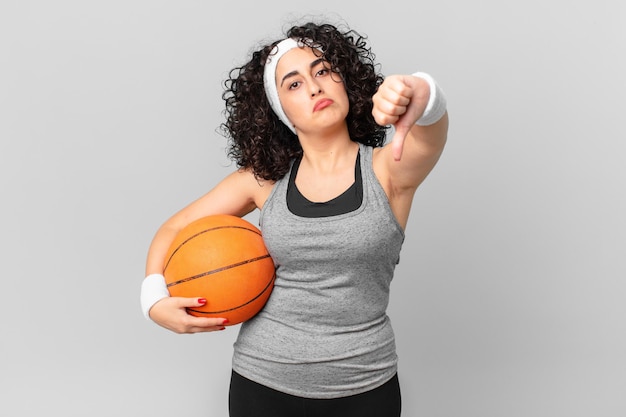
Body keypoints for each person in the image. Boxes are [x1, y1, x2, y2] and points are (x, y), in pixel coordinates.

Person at [140, 20, 448, 417]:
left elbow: (430, 130)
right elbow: (174, 228)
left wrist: (420, 92)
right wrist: (152, 299)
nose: (315, 86)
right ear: (278, 110)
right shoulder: (262, 181)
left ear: (345, 80)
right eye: (294, 83)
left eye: (322, 70)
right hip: (262, 383)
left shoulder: (388, 170)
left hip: (365, 383)